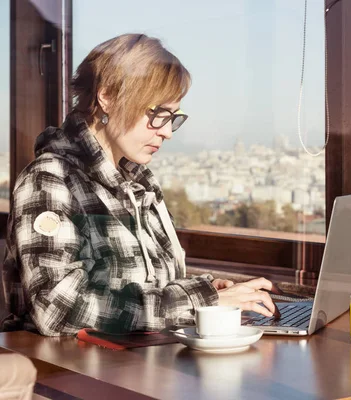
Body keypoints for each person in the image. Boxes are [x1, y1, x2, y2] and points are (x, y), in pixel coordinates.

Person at [1, 33, 280, 336]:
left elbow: (145, 289)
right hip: (69, 373)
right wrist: (200, 300)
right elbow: (58, 310)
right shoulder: (50, 179)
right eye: (158, 114)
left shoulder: (139, 183)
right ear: (106, 96)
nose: (167, 132)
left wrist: (206, 290)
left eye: (172, 117)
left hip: (137, 364)